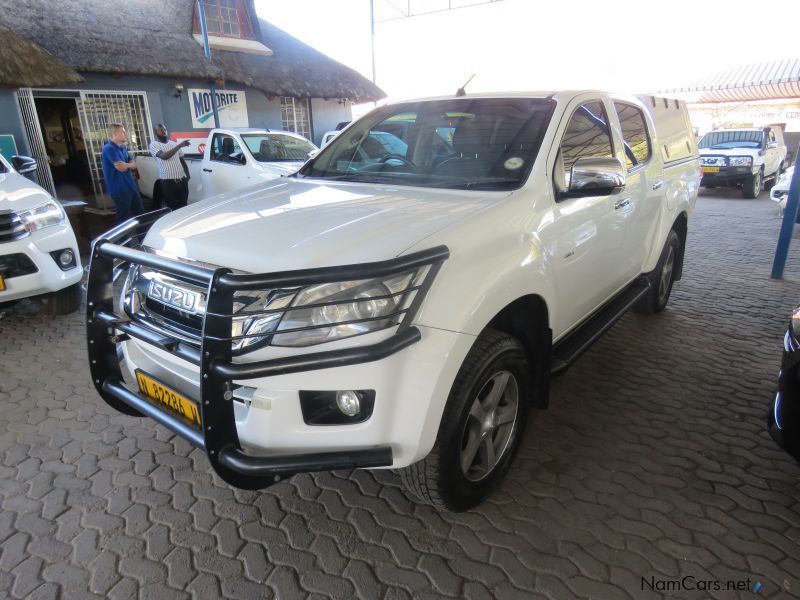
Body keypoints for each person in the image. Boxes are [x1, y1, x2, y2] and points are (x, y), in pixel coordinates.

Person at [100, 123, 143, 224]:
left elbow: (134, 165)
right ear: (114, 134)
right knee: (123, 218)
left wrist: (127, 164)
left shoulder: (124, 148)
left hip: (130, 187)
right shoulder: (109, 148)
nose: (125, 134)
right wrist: (129, 165)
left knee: (140, 214)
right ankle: (121, 239)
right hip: (119, 189)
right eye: (122, 132)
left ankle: (142, 238)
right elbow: (121, 167)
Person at [148, 124, 191, 211]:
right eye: (160, 130)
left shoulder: (173, 144)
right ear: (155, 132)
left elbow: (182, 161)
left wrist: (187, 175)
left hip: (182, 181)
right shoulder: (154, 145)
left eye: (164, 129)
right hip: (168, 183)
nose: (163, 131)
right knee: (172, 208)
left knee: (184, 206)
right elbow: (164, 156)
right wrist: (179, 145)